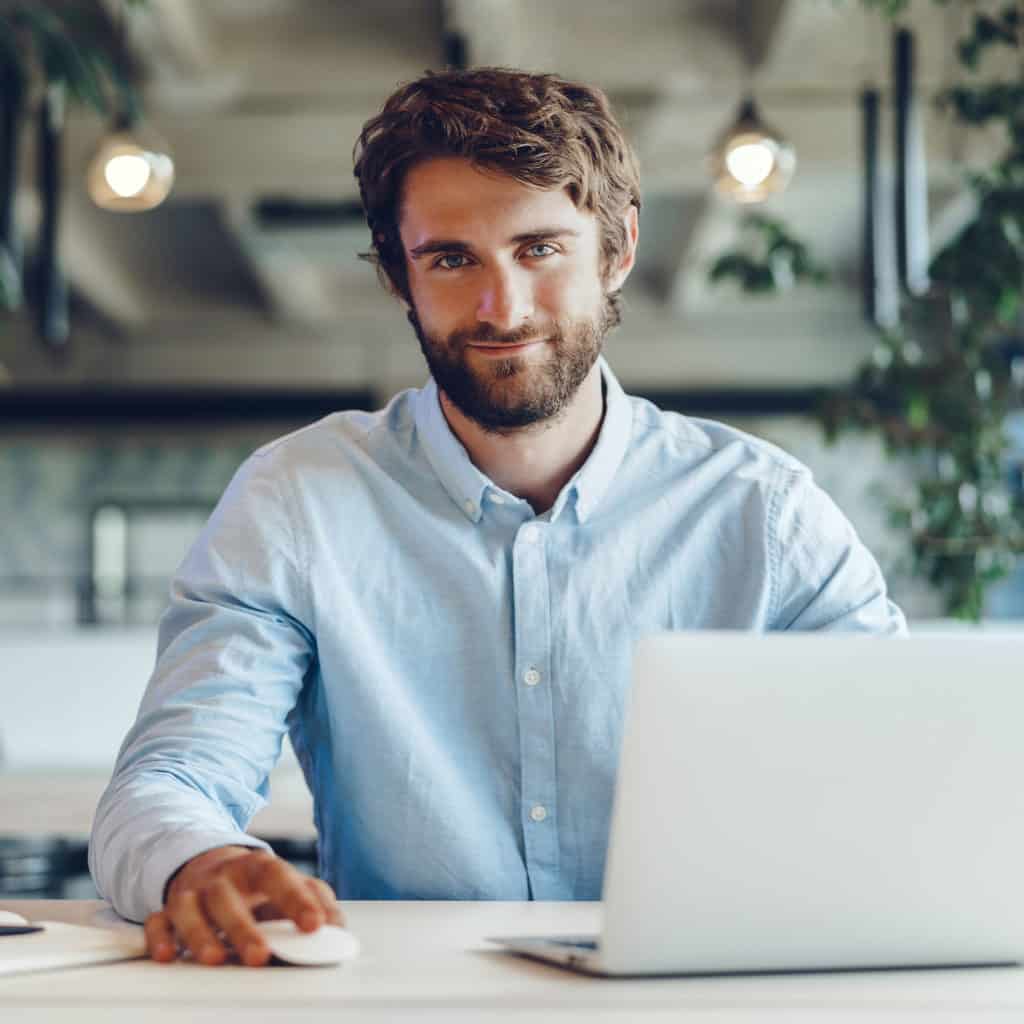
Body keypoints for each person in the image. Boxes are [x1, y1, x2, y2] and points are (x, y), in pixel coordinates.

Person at [89, 66, 907, 968]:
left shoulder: (766, 511)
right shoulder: (297, 501)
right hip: (412, 1003)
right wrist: (201, 860)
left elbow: (904, 774)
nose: (502, 307)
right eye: (451, 258)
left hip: (703, 996)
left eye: (540, 249)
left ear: (618, 249)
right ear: (400, 276)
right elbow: (169, 780)